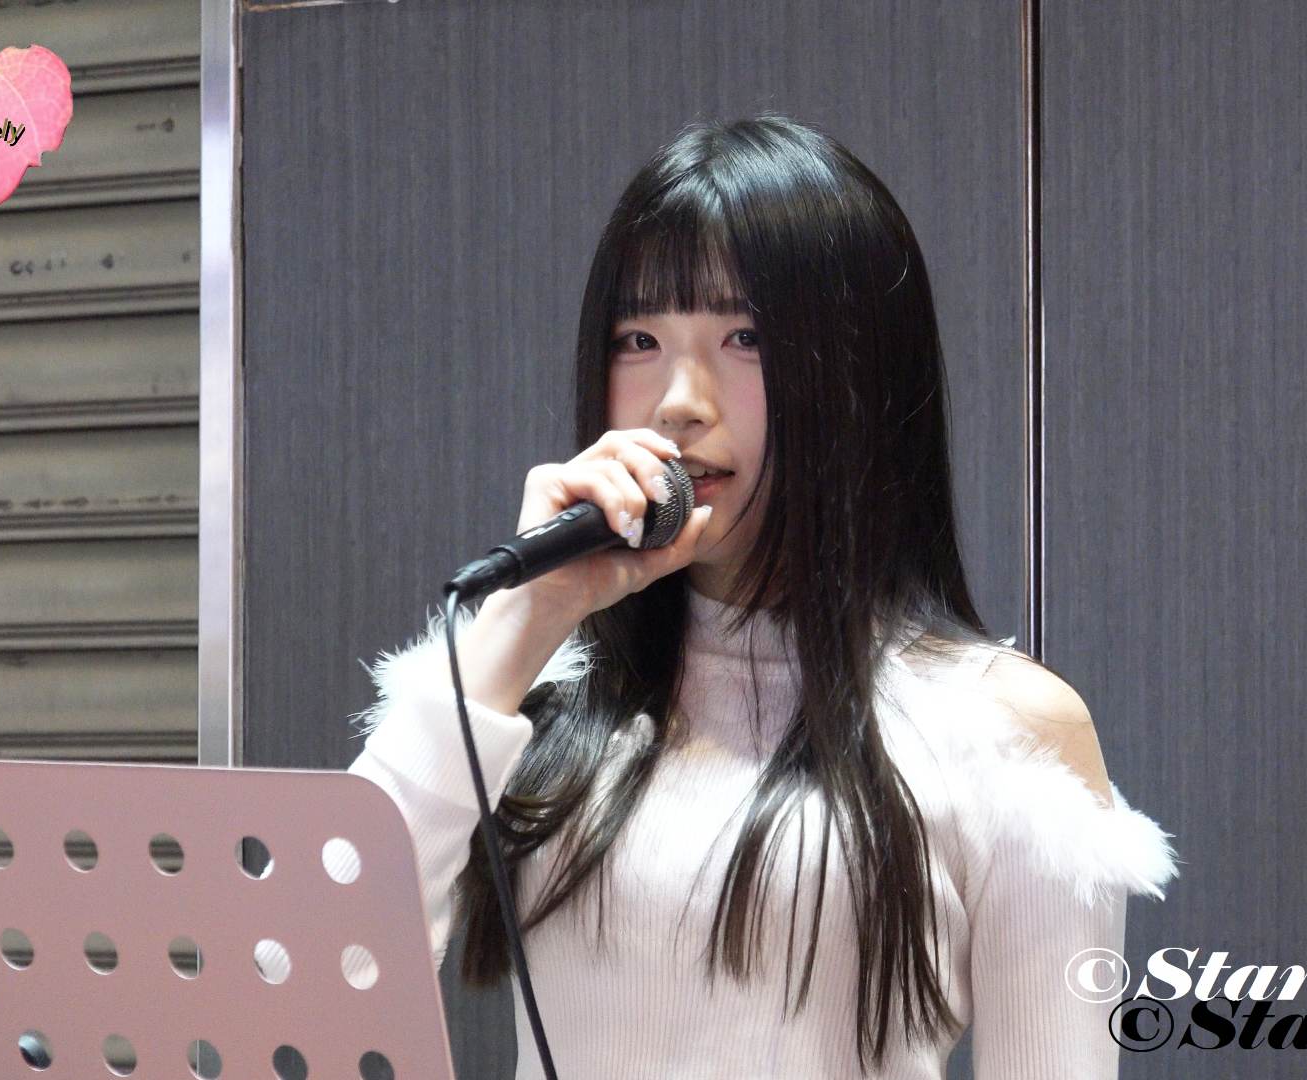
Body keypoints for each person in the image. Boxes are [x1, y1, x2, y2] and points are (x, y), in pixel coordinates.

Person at [344, 114, 1180, 1079]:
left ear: (858, 373)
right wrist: (523, 621)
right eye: (639, 338)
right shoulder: (532, 691)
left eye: (744, 337)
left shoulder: (1005, 729)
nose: (678, 401)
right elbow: (310, 985)